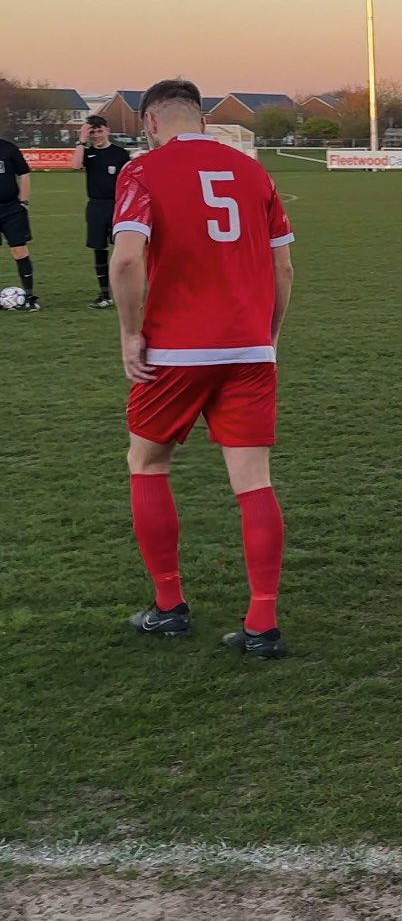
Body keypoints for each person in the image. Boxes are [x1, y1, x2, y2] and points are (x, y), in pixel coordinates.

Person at [110, 79, 295, 658]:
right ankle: (262, 623)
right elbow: (284, 269)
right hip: (248, 349)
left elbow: (126, 260)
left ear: (150, 123)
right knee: (254, 481)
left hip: (175, 351)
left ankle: (169, 606)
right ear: (204, 122)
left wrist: (131, 334)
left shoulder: (142, 172)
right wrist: (268, 335)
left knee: (147, 462)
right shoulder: (254, 173)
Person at [73, 115, 130, 308]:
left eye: (100, 131)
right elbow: (75, 165)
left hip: (118, 206)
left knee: (123, 251)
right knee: (99, 250)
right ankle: (104, 295)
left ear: (107, 131)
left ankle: (127, 292)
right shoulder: (87, 153)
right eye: (93, 132)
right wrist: (82, 140)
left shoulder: (120, 154)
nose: (96, 135)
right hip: (96, 207)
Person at [0, 137, 39, 310]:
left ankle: (29, 296)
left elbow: (23, 173)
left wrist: (23, 202)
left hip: (11, 209)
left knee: (19, 250)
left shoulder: (8, 148)